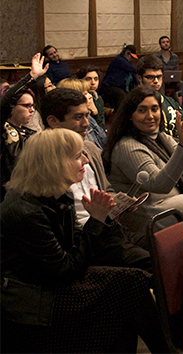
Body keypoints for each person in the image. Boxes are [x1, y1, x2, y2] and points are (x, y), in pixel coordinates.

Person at [0, 129, 170, 353]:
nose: (86, 160)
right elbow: (67, 269)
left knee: (131, 287)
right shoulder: (26, 211)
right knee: (130, 289)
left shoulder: (56, 195)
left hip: (49, 287)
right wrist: (97, 220)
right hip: (34, 305)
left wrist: (104, 219)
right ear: (54, 162)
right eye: (77, 156)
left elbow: (82, 251)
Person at [40, 87, 151, 270]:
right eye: (78, 117)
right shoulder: (44, 161)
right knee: (154, 262)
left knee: (169, 245)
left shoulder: (90, 149)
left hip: (109, 227)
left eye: (87, 115)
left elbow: (106, 189)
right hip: (84, 239)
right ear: (53, 121)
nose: (87, 123)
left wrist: (119, 202)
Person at [103, 87, 183, 232]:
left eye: (154, 109)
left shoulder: (161, 137)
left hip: (168, 202)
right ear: (130, 115)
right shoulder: (127, 146)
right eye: (142, 110)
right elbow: (159, 185)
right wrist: (182, 147)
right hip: (150, 211)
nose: (150, 116)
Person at [136, 55, 183, 147]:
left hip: (181, 144)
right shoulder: (136, 104)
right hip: (162, 148)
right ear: (139, 78)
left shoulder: (169, 100)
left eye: (159, 77)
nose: (156, 81)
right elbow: (154, 137)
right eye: (150, 77)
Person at [1, 53, 47, 199]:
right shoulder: (3, 129)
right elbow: (5, 102)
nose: (32, 110)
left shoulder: (30, 132)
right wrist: (31, 76)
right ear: (12, 107)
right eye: (26, 105)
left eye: (32, 105)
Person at [56, 78, 106, 149]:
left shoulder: (89, 118)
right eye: (85, 93)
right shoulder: (70, 125)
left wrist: (96, 114)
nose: (90, 96)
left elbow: (104, 141)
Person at [100, 44, 138, 110]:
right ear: (126, 53)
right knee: (122, 96)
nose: (132, 59)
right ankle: (120, 115)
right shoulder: (118, 59)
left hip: (119, 86)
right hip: (109, 86)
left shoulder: (127, 62)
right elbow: (132, 69)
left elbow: (133, 74)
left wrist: (138, 84)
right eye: (131, 57)